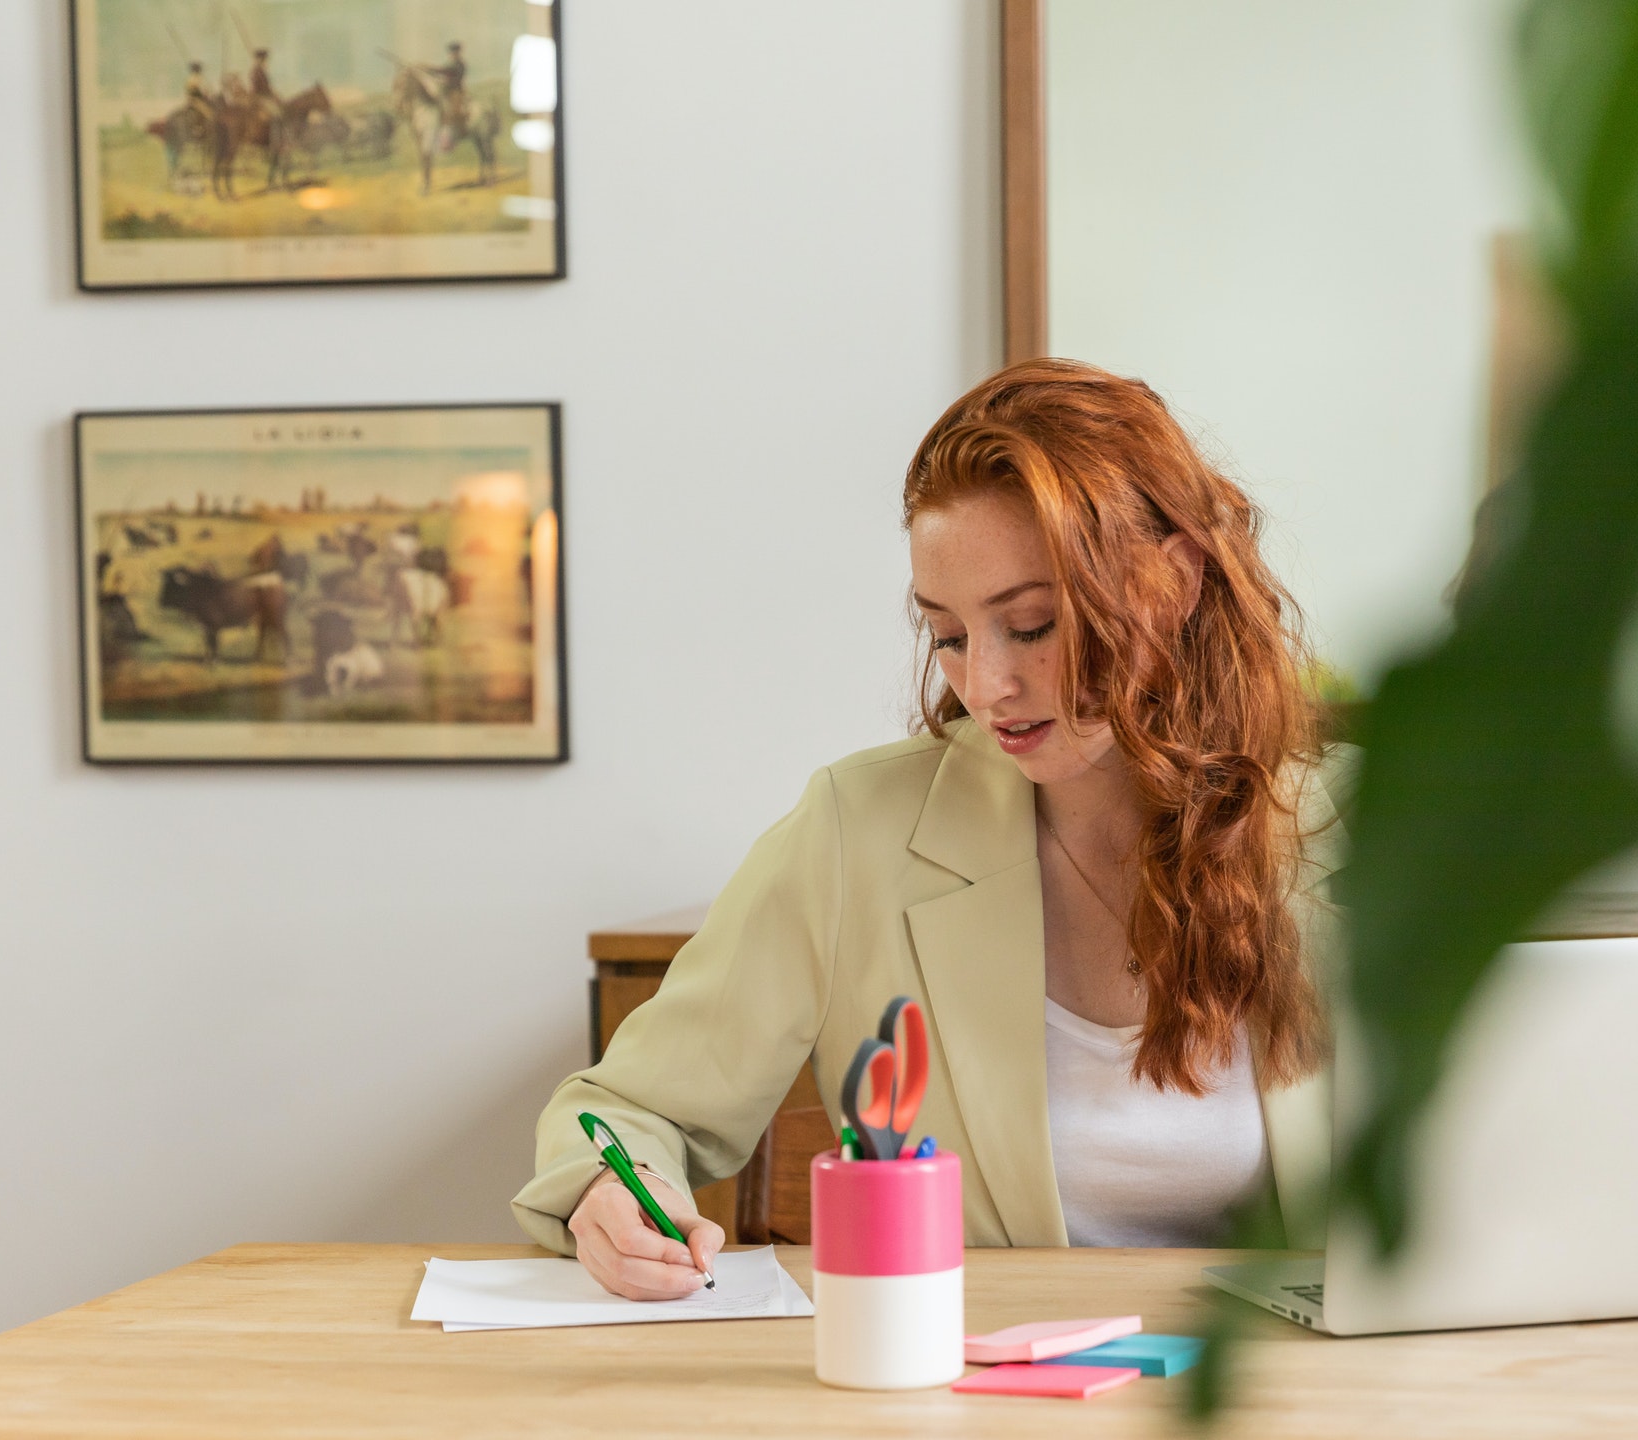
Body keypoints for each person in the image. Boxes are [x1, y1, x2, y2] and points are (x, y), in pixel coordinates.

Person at [512, 359, 1354, 1300]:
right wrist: (611, 1191)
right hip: (973, 1394)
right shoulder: (856, 833)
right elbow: (619, 1112)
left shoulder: (1354, 836)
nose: (985, 685)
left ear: (1173, 581)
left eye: (1031, 625)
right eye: (949, 636)